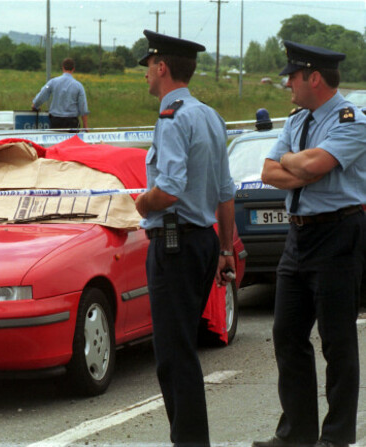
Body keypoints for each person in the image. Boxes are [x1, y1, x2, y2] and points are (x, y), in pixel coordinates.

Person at [253, 41, 366, 447]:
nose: (287, 84)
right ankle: (296, 433)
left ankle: (335, 438)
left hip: (338, 233)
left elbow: (317, 167)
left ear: (313, 77)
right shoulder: (298, 120)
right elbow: (268, 171)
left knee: (337, 341)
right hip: (298, 235)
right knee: (287, 333)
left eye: (292, 76)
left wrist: (300, 164)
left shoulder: (353, 120)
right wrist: (299, 166)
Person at [134, 30, 236, 447]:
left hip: (174, 243)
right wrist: (227, 249)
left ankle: (190, 442)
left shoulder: (171, 117)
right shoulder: (210, 115)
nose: (146, 76)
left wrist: (142, 204)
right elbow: (226, 193)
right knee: (181, 351)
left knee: (174, 356)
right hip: (204, 241)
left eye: (148, 67)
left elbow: (169, 188)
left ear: (162, 67)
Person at [31, 57, 89, 131]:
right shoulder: (78, 86)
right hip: (72, 122)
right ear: (73, 69)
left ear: (63, 68)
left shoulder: (52, 82)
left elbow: (42, 94)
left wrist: (35, 105)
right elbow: (83, 107)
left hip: (55, 122)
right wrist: (85, 126)